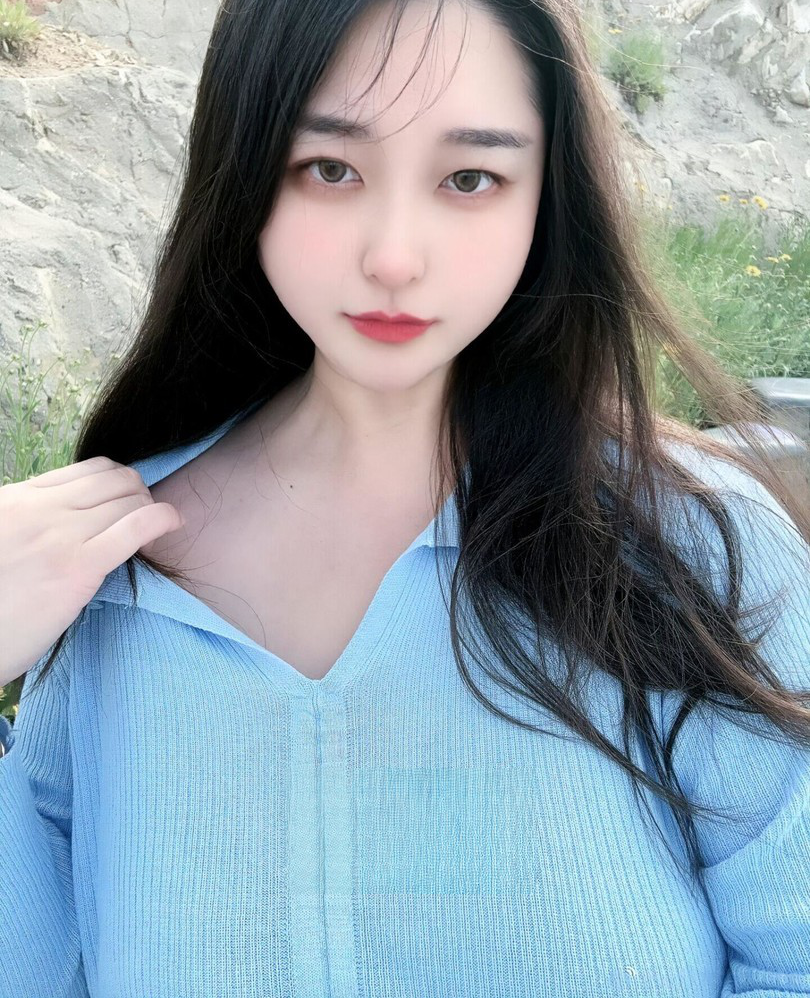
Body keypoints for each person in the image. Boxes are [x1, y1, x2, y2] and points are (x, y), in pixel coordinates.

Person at [1, 0, 809, 993]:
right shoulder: (114, 563)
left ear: (545, 199)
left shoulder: (692, 544)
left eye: (470, 178)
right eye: (329, 169)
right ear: (245, 174)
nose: (393, 255)